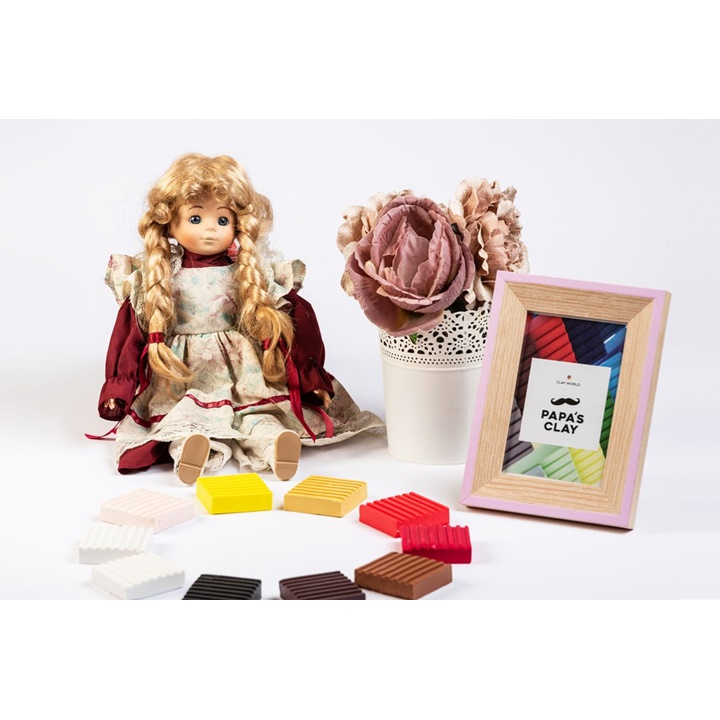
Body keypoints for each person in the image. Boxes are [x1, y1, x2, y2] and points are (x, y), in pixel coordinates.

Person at [96, 153, 383, 483]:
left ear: (237, 224)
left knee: (258, 412)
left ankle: (274, 444)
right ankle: (191, 448)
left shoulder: (252, 274)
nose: (209, 229)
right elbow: (130, 335)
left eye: (222, 220)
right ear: (169, 223)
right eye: (195, 218)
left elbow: (297, 322)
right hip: (180, 375)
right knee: (184, 415)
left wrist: (309, 377)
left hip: (244, 372)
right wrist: (119, 384)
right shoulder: (157, 277)